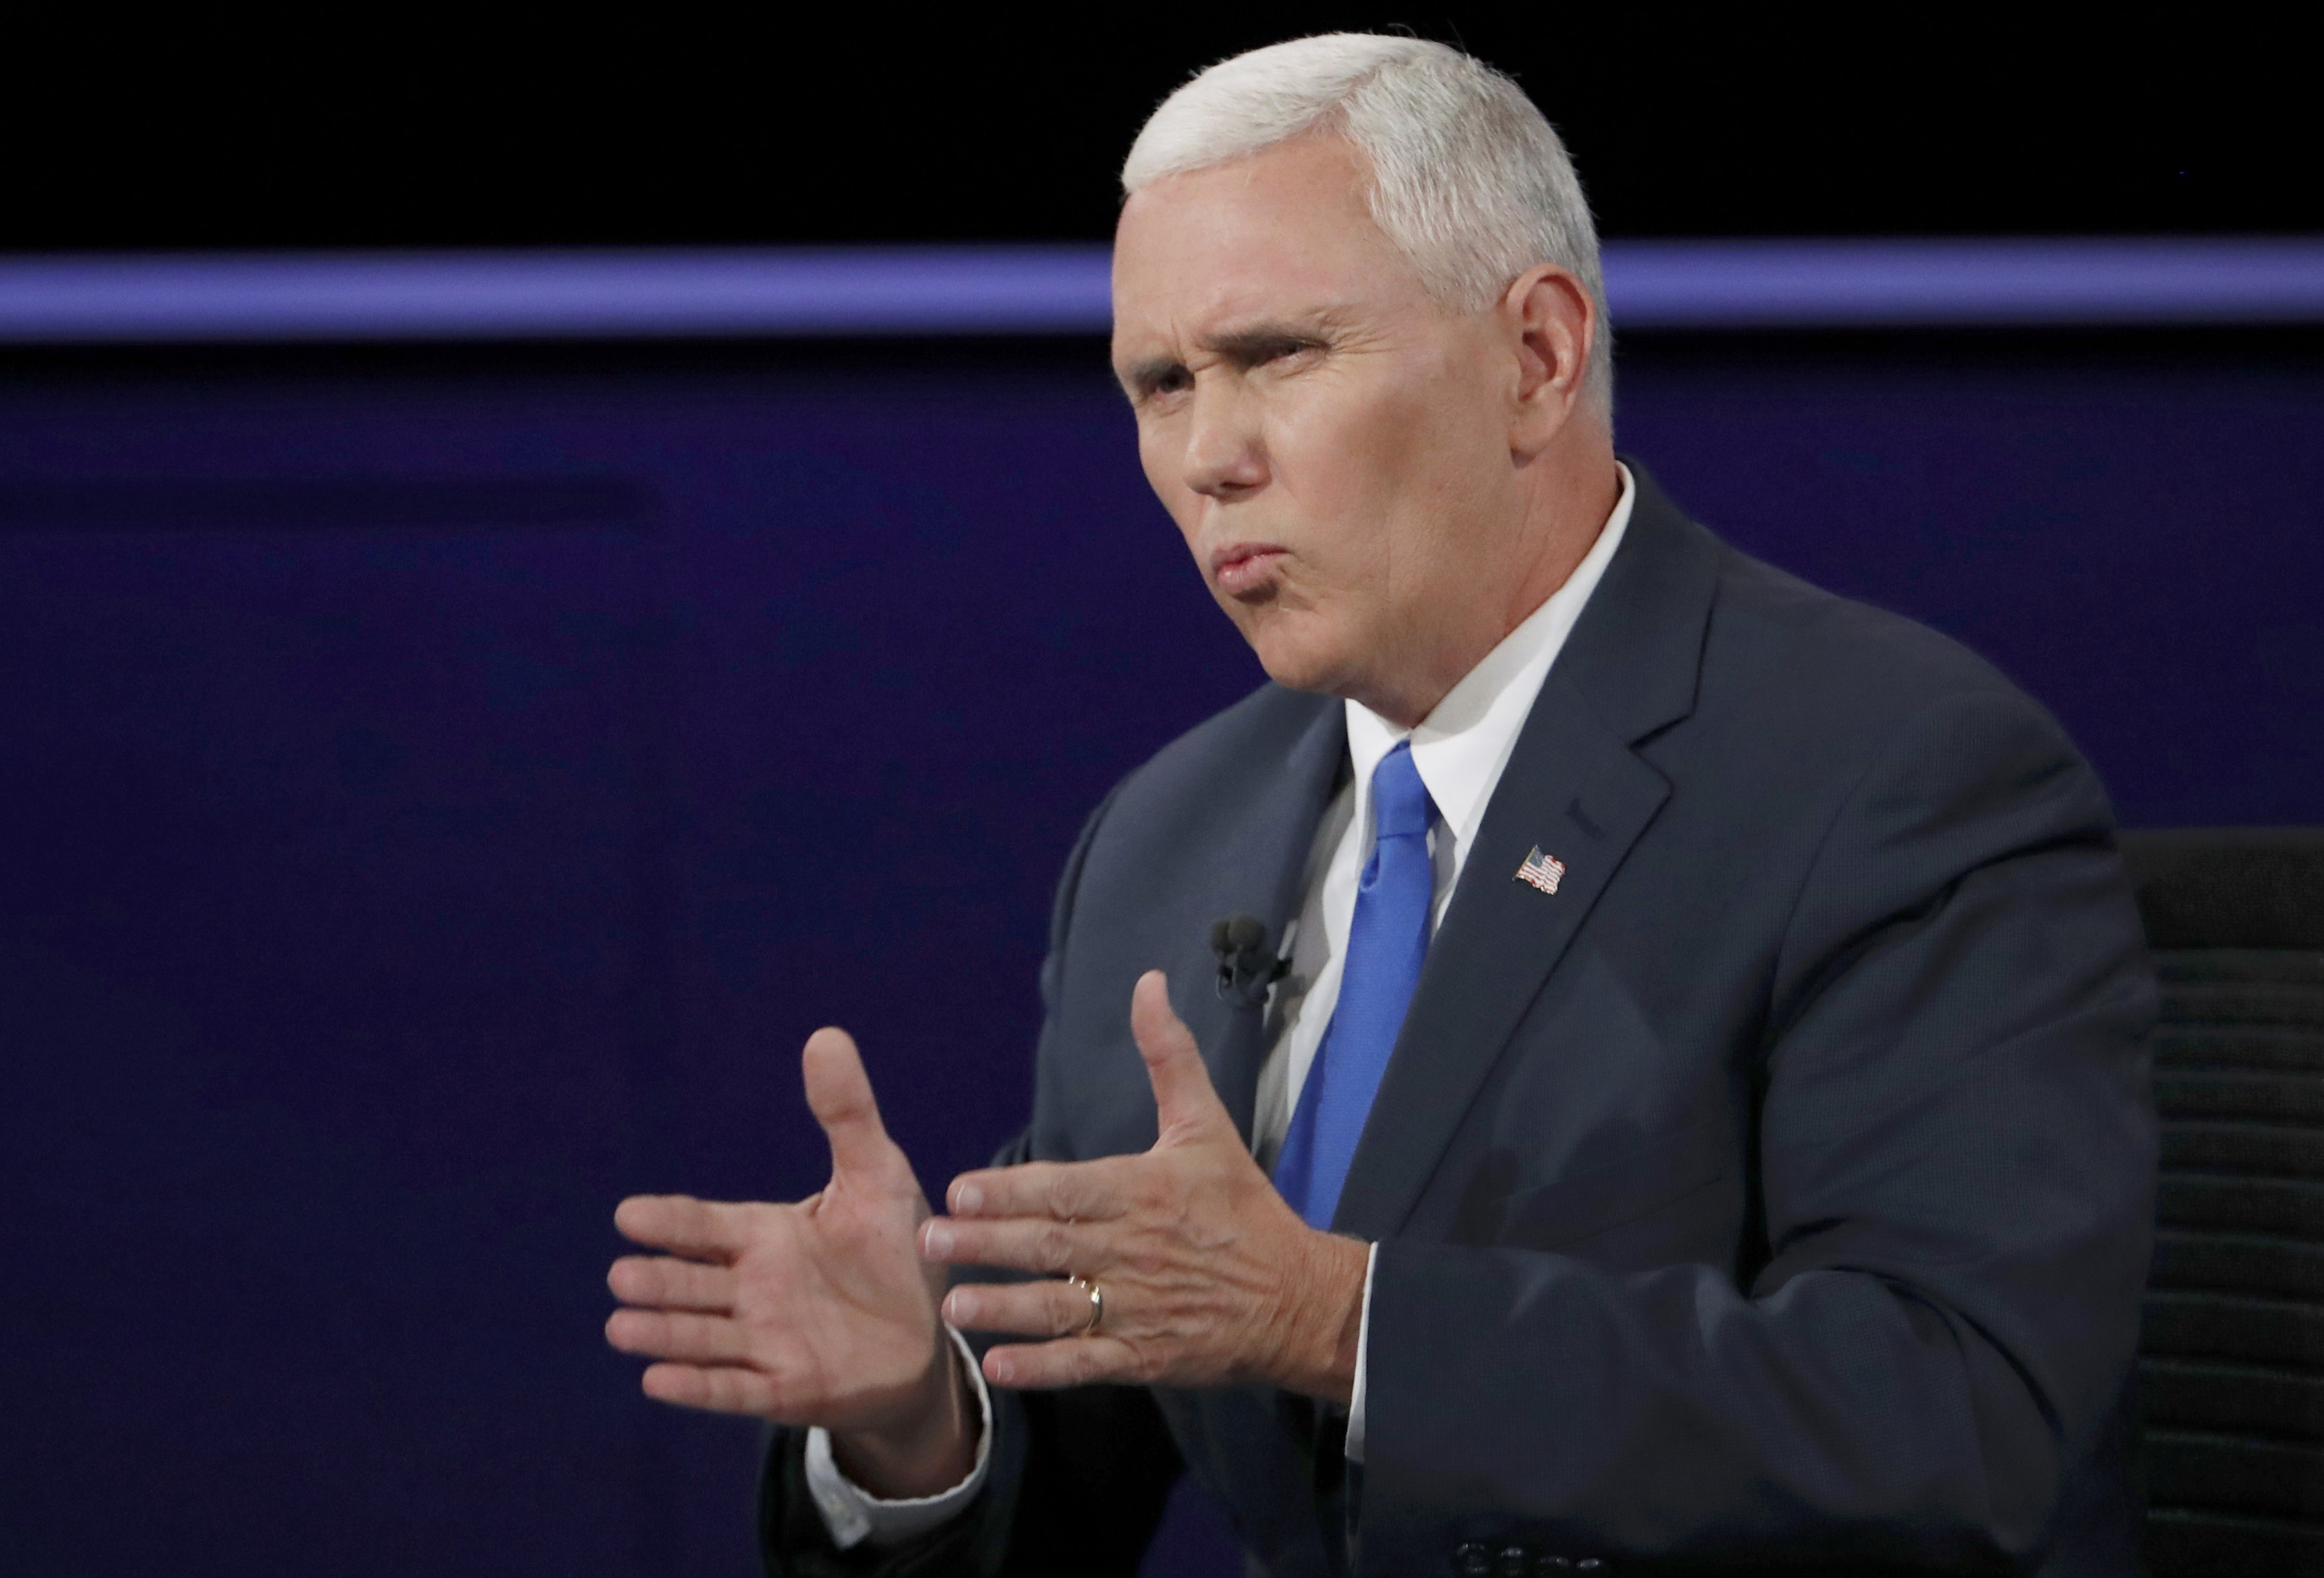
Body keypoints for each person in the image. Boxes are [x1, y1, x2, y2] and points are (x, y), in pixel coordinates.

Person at [604, 34, 2156, 1577]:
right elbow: (1075, 1474)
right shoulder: (1166, 842)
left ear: (1536, 357)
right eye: (1159, 385)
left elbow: (1955, 1423)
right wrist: (911, 1417)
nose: (1209, 456)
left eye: (1278, 354)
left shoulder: (1894, 775)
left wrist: (1336, 1320)